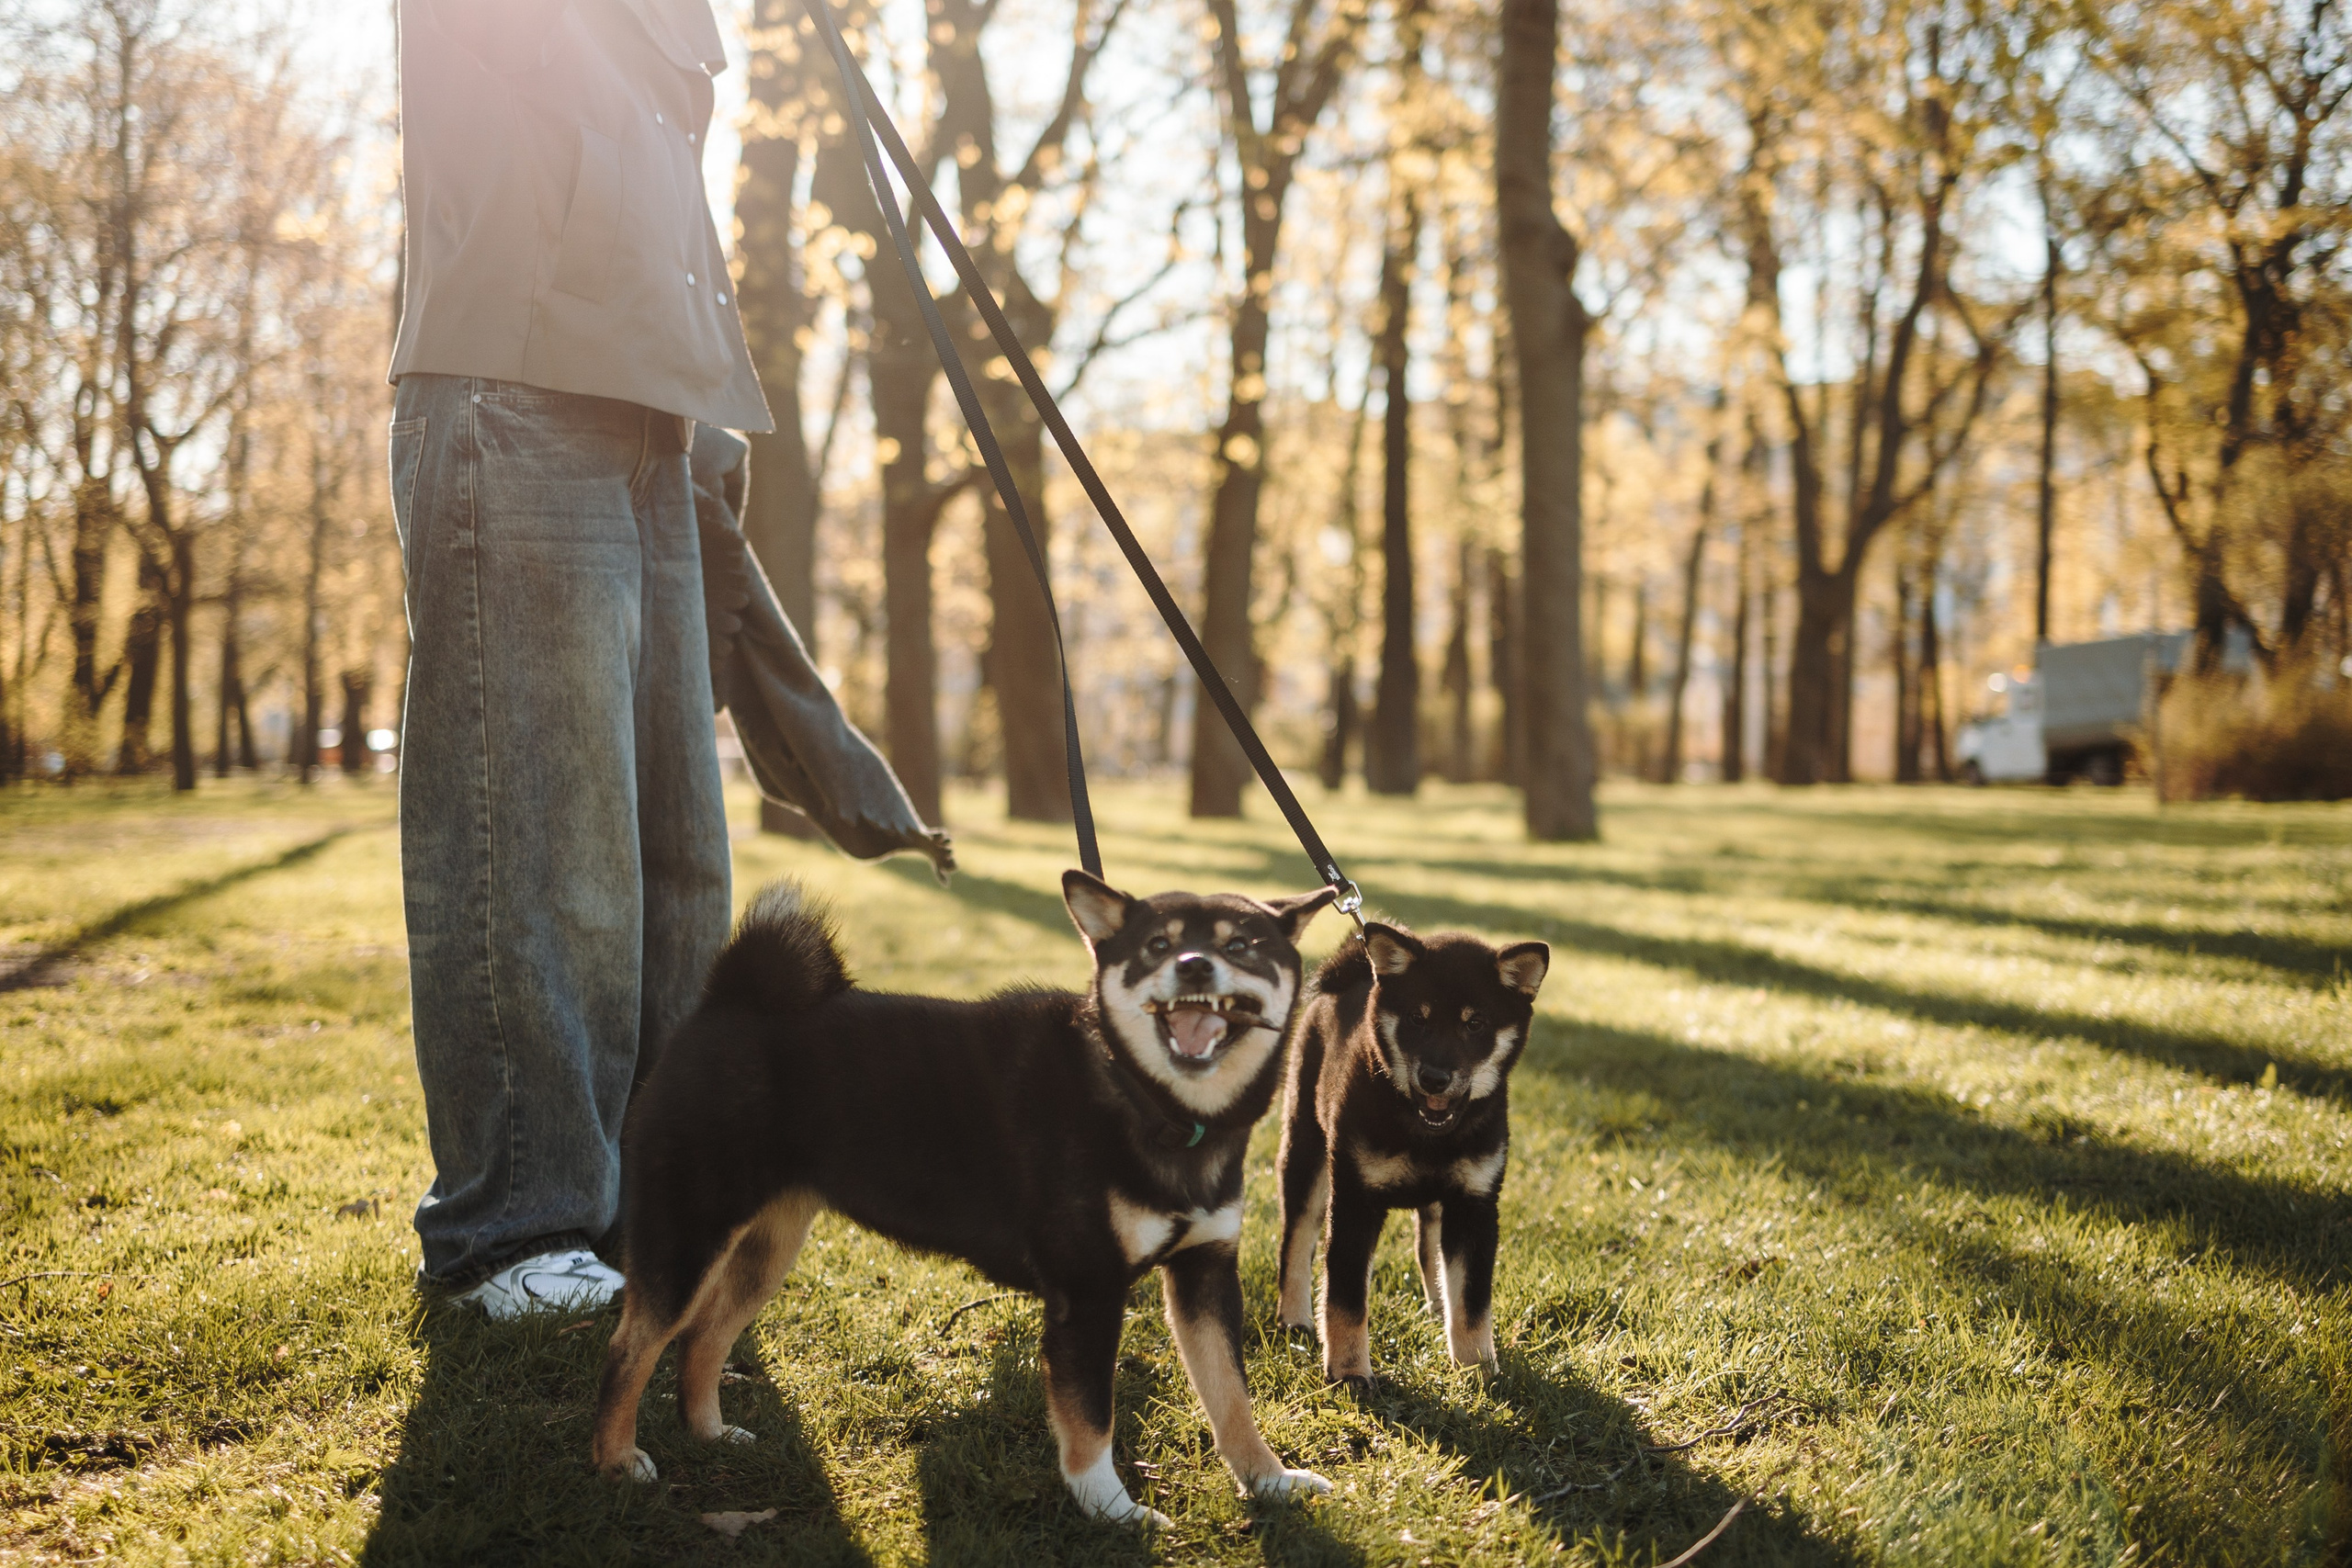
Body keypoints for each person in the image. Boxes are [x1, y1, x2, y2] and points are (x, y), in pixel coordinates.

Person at [386, 0, 772, 1318]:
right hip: (516, 377)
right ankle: (515, 1224)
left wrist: (714, 408)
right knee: (546, 840)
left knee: (676, 858)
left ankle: (645, 1209)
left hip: (660, 408)